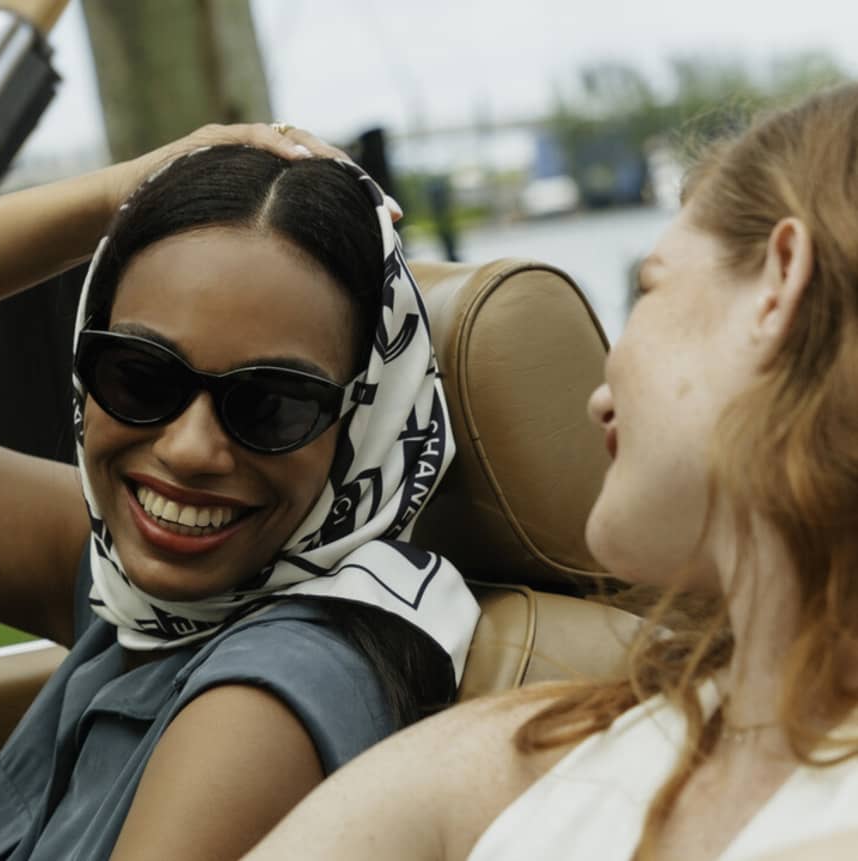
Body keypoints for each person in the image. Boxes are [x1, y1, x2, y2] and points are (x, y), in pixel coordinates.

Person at [0, 124, 478, 859]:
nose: (189, 449)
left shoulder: (259, 705)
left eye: (272, 406)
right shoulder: (149, 588)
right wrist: (118, 195)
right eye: (140, 376)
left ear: (363, 421)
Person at [245, 84, 858, 861]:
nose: (599, 394)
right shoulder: (531, 743)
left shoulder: (519, 757)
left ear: (779, 283)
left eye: (649, 289)